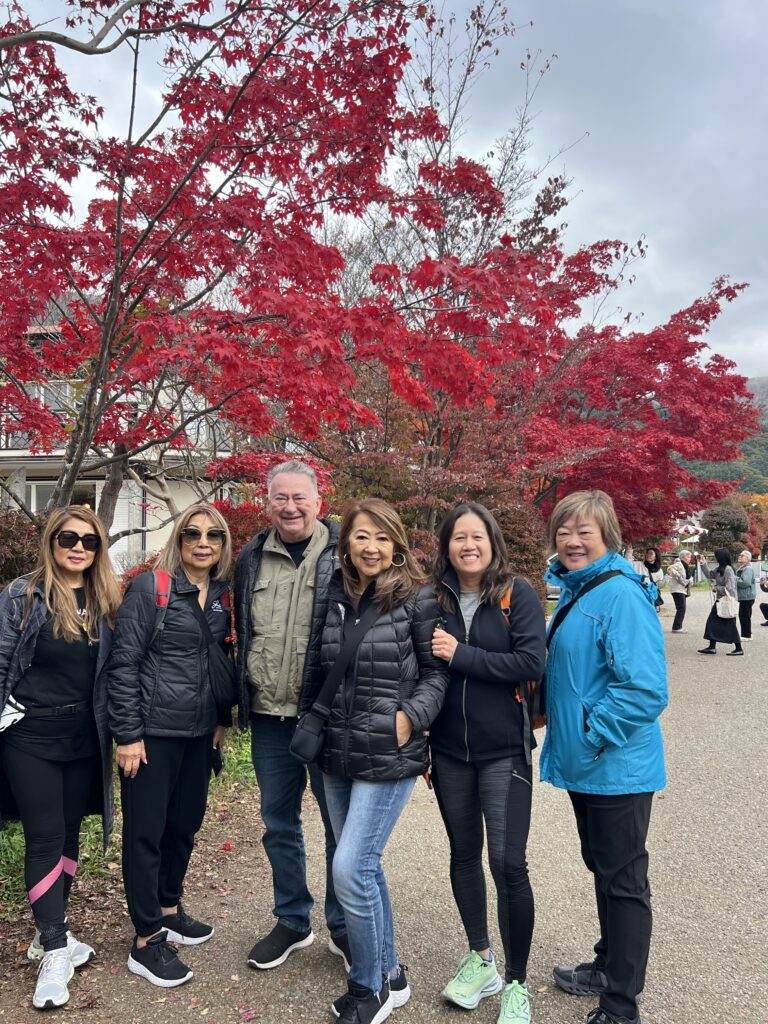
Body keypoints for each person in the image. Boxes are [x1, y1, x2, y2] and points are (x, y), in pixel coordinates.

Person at [310, 498, 449, 1024]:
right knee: (363, 867)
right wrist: (311, 725)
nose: (371, 547)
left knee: (349, 867)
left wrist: (409, 716)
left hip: (389, 751)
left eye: (381, 537)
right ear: (346, 543)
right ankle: (390, 970)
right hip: (335, 750)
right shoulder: (335, 594)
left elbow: (437, 674)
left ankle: (369, 989)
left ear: (396, 545)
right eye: (361, 536)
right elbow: (315, 669)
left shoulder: (418, 598)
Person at [541, 490, 667, 1024]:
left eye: (584, 531)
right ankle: (607, 965)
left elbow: (644, 689)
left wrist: (592, 735)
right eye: (564, 530)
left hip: (614, 765)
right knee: (605, 870)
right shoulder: (582, 589)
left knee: (624, 880)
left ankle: (621, 1005)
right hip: (589, 765)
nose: (572, 540)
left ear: (606, 535)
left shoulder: (620, 595)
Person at [428, 503, 546, 1024]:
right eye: (458, 538)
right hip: (450, 750)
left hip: (504, 752)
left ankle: (517, 981)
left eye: (477, 536)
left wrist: (462, 655)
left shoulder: (514, 594)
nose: (468, 545)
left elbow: (530, 662)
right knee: (463, 854)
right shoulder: (432, 597)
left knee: (508, 863)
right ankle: (482, 958)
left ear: (492, 542)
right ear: (446, 546)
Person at [108, 503, 233, 987]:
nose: (204, 543)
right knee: (146, 833)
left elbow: (218, 661)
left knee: (184, 825)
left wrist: (221, 720)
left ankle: (167, 907)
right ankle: (145, 940)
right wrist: (129, 734)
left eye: (214, 536)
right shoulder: (150, 588)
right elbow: (124, 664)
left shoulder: (223, 595)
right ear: (178, 539)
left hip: (199, 734)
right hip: (152, 733)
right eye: (193, 534)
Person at [0, 506, 120, 1010]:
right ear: (51, 542)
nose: (78, 548)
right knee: (45, 836)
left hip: (85, 737)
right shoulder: (21, 595)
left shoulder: (108, 599)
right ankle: (53, 949)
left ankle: (53, 932)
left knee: (70, 833)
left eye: (89, 542)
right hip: (29, 736)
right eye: (68, 538)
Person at [233, 460, 349, 971]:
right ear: (268, 502)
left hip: (327, 715)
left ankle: (345, 926)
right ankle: (292, 919)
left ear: (319, 502)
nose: (290, 507)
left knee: (338, 826)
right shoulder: (251, 557)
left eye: (300, 497)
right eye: (280, 498)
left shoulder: (345, 554)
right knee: (279, 822)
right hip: (267, 716)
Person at [697, 549, 743, 656]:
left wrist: (716, 588)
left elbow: (730, 588)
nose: (715, 558)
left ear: (721, 557)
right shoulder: (720, 568)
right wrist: (703, 563)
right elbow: (709, 574)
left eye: (716, 556)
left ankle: (739, 648)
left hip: (727, 601)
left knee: (730, 624)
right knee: (712, 622)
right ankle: (712, 647)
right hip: (720, 600)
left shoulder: (728, 570)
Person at [666, 550, 693, 633]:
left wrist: (689, 581)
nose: (690, 559)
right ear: (683, 557)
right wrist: (680, 577)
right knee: (681, 608)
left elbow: (688, 579)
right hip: (677, 589)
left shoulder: (686, 566)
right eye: (688, 557)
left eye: (690, 557)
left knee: (681, 608)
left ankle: (677, 626)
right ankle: (677, 627)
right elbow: (670, 568)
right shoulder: (679, 564)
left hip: (682, 590)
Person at [735, 550, 756, 641]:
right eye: (740, 555)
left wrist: (734, 578)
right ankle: (747, 634)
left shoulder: (748, 569)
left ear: (747, 559)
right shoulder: (743, 568)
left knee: (744, 616)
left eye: (742, 555)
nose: (740, 556)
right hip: (745, 596)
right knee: (744, 615)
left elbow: (745, 582)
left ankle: (746, 635)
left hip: (747, 597)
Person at [639, 547, 664, 611]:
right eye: (647, 553)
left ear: (656, 556)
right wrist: (629, 550)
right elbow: (627, 562)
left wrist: (668, 577)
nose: (648, 555)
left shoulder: (659, 570)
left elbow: (659, 586)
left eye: (651, 553)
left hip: (651, 596)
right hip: (640, 594)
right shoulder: (639, 565)